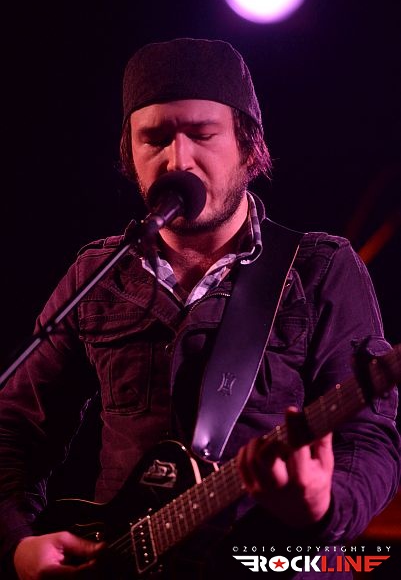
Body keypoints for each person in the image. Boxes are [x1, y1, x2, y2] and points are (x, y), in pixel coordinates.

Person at [0, 37, 400, 580]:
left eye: (202, 134)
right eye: (155, 139)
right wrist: (16, 544)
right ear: (129, 155)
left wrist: (323, 504)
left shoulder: (319, 269)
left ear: (249, 148)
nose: (178, 160)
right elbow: (13, 428)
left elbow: (370, 438)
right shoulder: (98, 274)